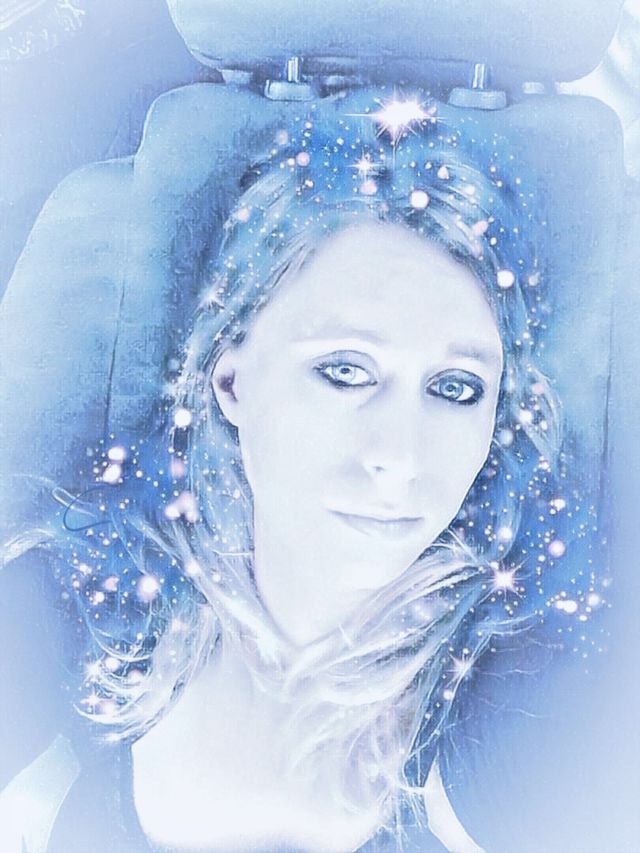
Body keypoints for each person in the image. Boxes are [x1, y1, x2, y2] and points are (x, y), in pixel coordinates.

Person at [1, 94, 566, 852]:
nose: (400, 456)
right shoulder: (70, 603)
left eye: (456, 388)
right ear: (232, 381)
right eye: (344, 371)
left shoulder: (531, 693)